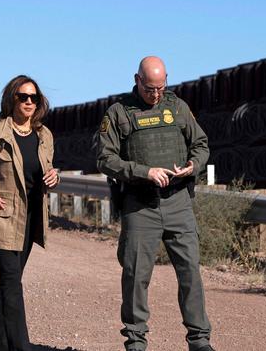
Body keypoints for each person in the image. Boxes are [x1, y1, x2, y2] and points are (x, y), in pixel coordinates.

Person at [96, 56, 214, 351]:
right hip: (140, 205)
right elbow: (104, 158)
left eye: (161, 88)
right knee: (136, 275)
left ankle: (199, 340)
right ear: (137, 80)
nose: (156, 94)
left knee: (190, 272)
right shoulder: (119, 113)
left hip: (178, 203)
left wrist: (192, 166)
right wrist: (143, 171)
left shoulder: (178, 107)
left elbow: (201, 145)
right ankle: (136, 341)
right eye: (150, 89)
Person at [0, 75, 60, 350]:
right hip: (2, 216)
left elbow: (47, 169)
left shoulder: (44, 135)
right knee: (10, 278)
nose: (29, 102)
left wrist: (55, 176)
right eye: (23, 96)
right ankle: (21, 345)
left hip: (30, 217)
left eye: (34, 97)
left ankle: (0, 344)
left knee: (11, 281)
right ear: (11, 99)